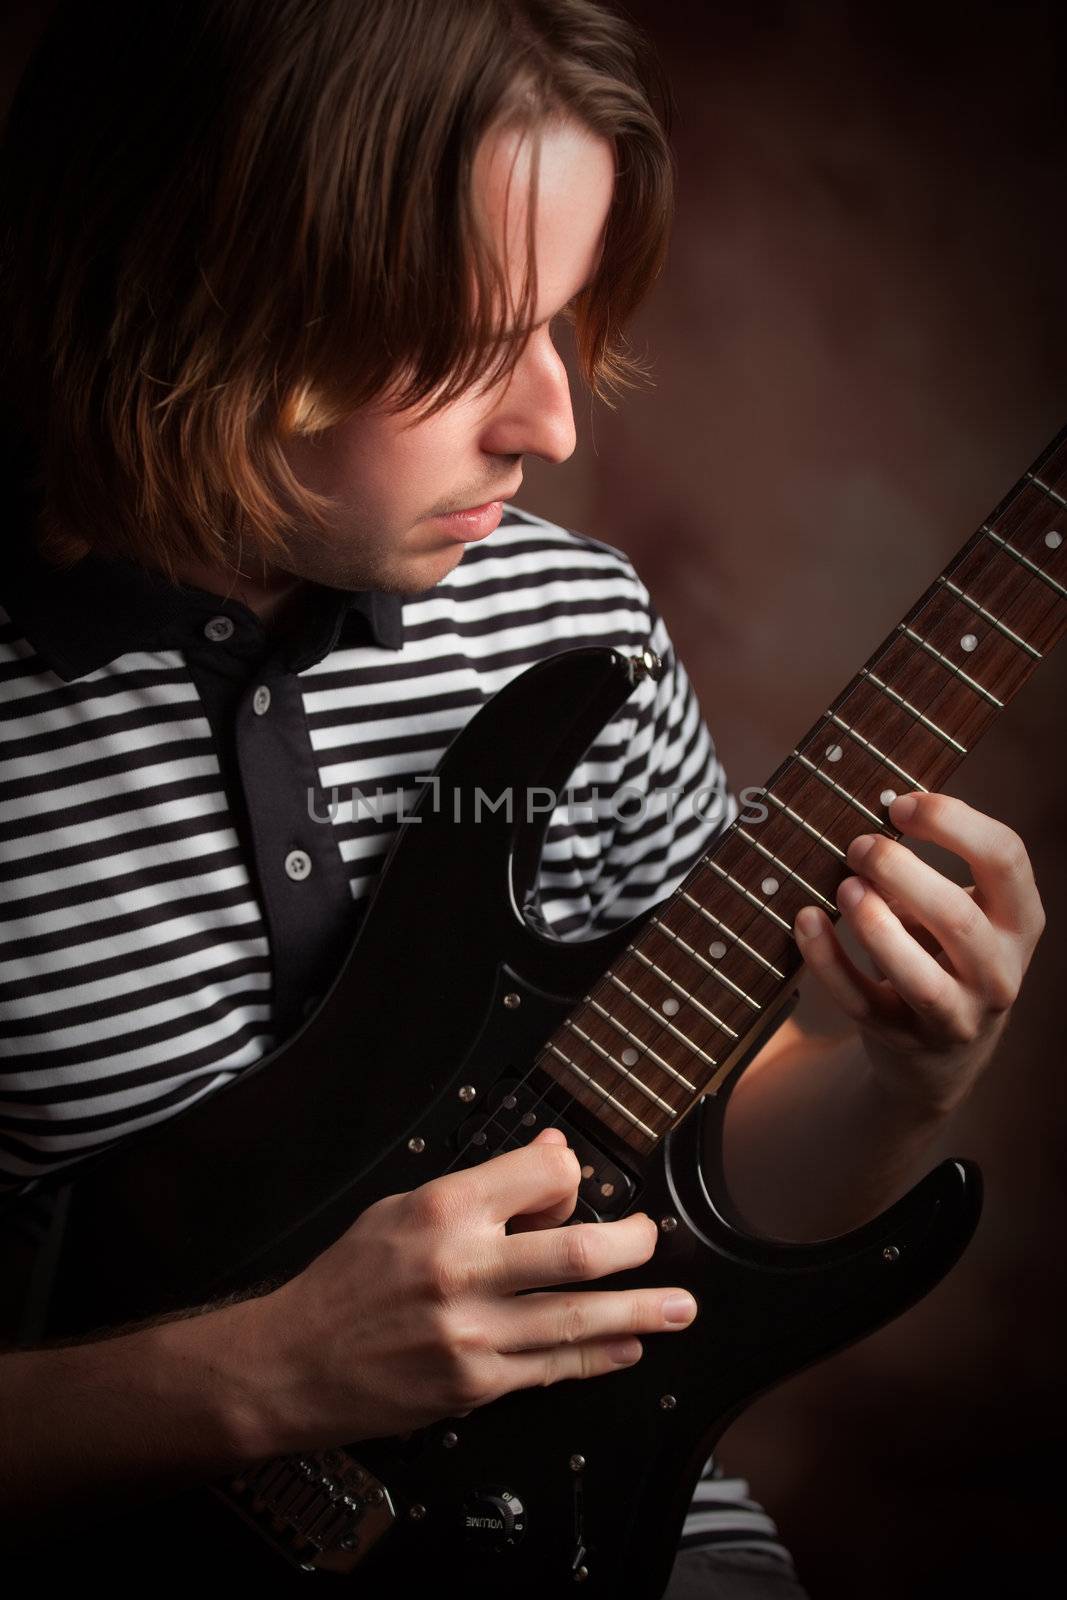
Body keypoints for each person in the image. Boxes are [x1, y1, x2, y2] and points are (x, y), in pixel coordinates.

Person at [0, 3, 1045, 1594]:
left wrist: (886, 1069)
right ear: (191, 299)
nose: (552, 422)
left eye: (559, 325)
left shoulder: (581, 631)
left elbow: (671, 1207)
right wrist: (266, 1374)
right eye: (461, 344)